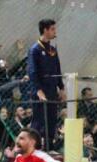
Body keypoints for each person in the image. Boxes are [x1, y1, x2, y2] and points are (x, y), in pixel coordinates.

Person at [28, 19, 65, 150]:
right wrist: (38, 90)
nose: (55, 31)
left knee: (51, 119)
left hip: (52, 90)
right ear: (45, 30)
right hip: (41, 91)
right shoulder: (35, 50)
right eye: (52, 29)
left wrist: (61, 88)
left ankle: (49, 146)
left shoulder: (52, 50)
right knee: (39, 120)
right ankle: (33, 147)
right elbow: (32, 72)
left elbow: (57, 69)